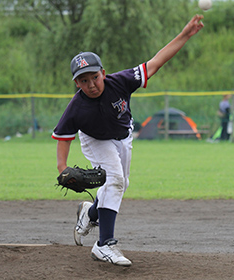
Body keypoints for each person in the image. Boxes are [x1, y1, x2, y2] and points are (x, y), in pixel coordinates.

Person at [52, 15, 205, 266]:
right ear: (77, 83)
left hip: (123, 137)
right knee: (115, 181)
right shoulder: (76, 107)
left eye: (94, 77)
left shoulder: (120, 81)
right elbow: (63, 138)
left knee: (120, 184)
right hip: (95, 140)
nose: (90, 84)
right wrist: (62, 169)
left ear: (103, 73)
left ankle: (89, 214)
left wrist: (186, 34)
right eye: (83, 80)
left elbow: (156, 62)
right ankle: (104, 245)